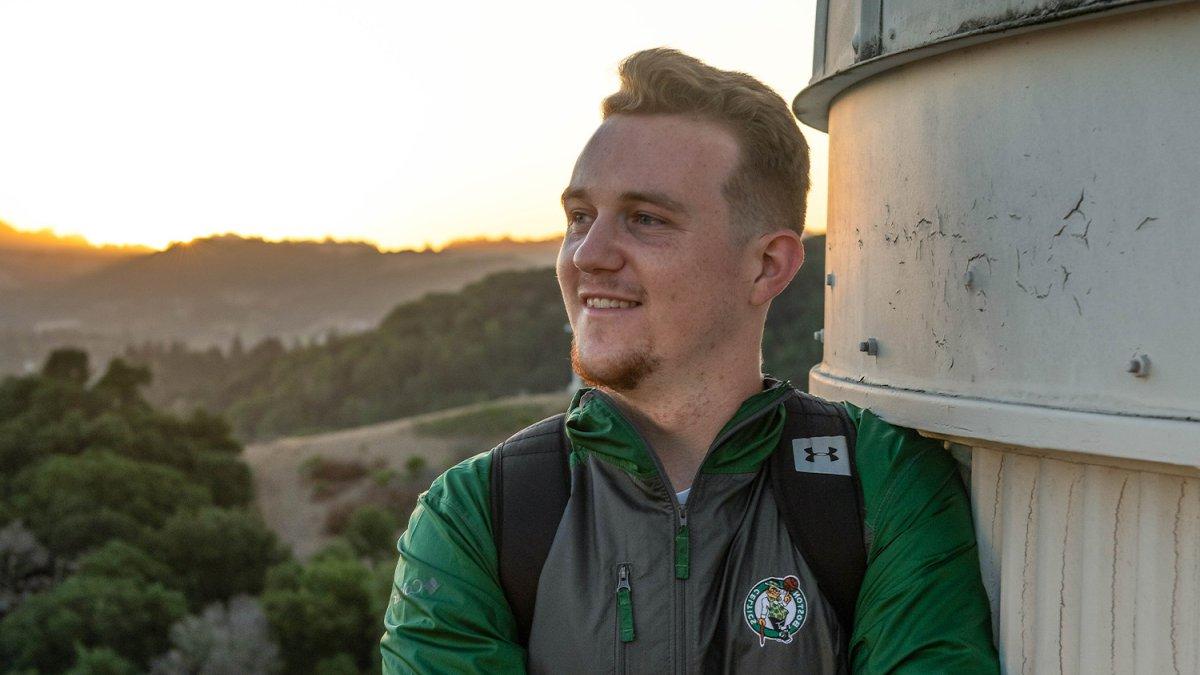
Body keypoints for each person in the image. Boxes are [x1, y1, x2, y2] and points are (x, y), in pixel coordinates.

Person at [381, 48, 999, 673]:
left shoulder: (881, 485)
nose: (587, 255)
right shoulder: (478, 515)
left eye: (645, 219)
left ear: (766, 266)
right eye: (579, 218)